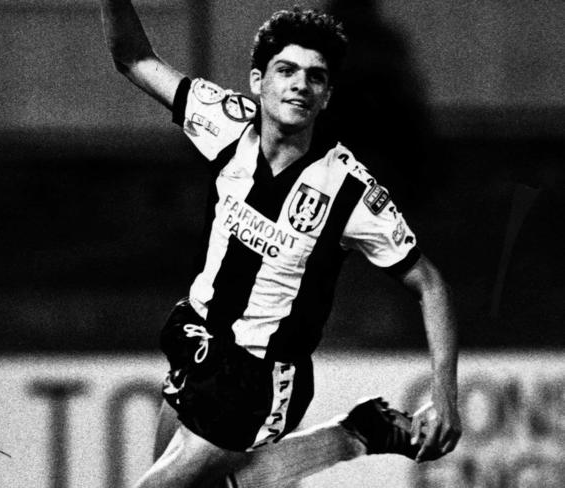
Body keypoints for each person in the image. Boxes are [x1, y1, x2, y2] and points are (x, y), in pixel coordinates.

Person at [98, 2, 461, 487]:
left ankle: (354, 434)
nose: (300, 85)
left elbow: (430, 283)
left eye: (316, 77)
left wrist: (445, 393)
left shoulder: (348, 190)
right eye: (286, 70)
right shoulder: (225, 123)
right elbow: (134, 59)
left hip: (258, 380)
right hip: (198, 341)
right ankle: (357, 432)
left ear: (327, 95)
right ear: (257, 81)